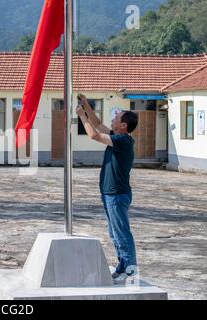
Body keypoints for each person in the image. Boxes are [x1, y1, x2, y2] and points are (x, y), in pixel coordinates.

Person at [76, 93, 139, 283]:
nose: (113, 119)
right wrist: (86, 104)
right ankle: (122, 266)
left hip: (117, 195)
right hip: (109, 194)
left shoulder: (123, 141)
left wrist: (81, 115)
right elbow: (98, 124)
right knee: (114, 233)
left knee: (122, 234)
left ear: (123, 126)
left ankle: (130, 272)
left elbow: (94, 134)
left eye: (116, 118)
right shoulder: (116, 137)